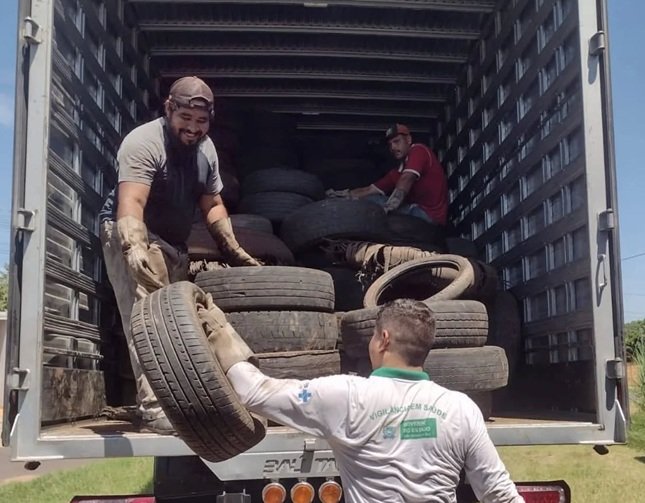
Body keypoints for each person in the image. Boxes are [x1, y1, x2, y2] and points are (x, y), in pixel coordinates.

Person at [206, 298, 524, 503]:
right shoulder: (461, 408)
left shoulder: (346, 396)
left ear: (383, 339)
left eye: (373, 335)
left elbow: (253, 391)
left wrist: (218, 333)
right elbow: (499, 495)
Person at [99, 76, 260, 434]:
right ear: (169, 109)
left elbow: (212, 203)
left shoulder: (206, 151)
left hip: (173, 242)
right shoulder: (144, 142)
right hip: (130, 229)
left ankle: (234, 391)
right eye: (185, 118)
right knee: (146, 317)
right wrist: (133, 246)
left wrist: (232, 248)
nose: (193, 128)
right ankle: (154, 408)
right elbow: (132, 200)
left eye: (201, 121)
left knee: (183, 320)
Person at [327, 124, 449, 226]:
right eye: (390, 144)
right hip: (415, 213)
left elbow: (407, 178)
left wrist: (389, 207)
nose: (393, 147)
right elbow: (369, 190)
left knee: (375, 204)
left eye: (397, 141)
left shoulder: (419, 150)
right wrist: (344, 195)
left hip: (429, 216)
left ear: (408, 140)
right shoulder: (396, 173)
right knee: (371, 199)